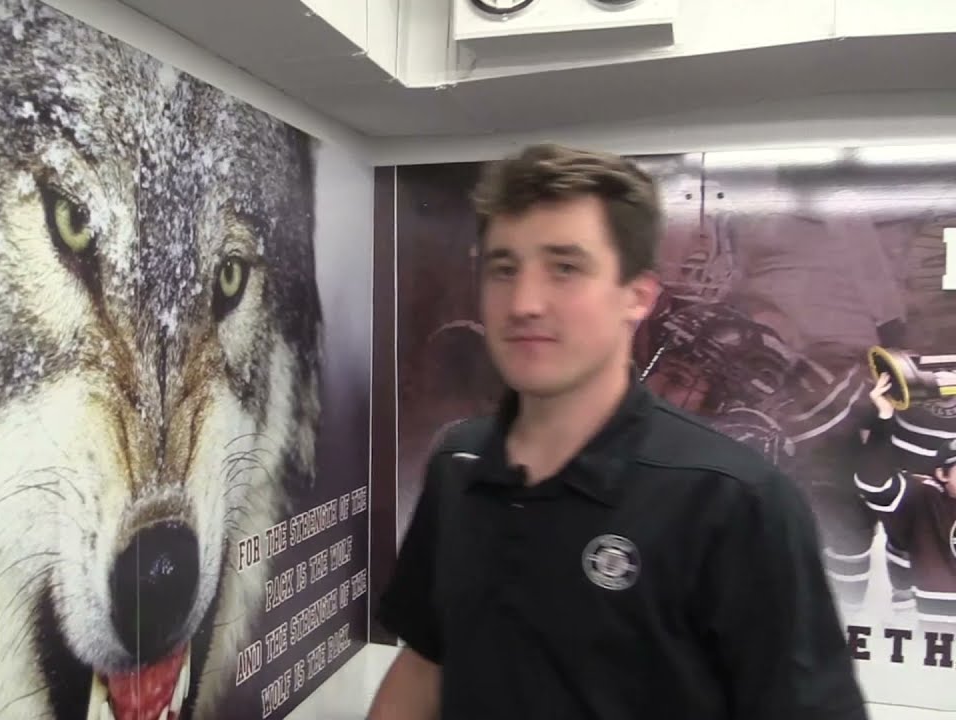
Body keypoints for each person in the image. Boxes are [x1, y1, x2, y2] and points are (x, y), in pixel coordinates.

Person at [368, 143, 868, 720]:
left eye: (566, 267)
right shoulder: (458, 464)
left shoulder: (735, 503)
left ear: (639, 296)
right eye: (504, 269)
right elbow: (427, 662)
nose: (525, 302)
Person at [856, 373, 956, 626]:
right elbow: (873, 483)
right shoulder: (924, 499)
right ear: (942, 474)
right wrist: (885, 417)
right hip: (936, 635)